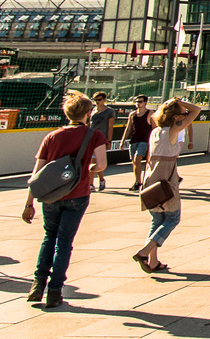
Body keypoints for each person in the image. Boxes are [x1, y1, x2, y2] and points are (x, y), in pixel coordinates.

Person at [23, 92, 108, 307]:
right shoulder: (94, 135)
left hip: (51, 195)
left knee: (48, 237)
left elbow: (37, 173)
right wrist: (89, 168)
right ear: (88, 113)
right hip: (77, 194)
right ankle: (55, 290)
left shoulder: (52, 136)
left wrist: (28, 203)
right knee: (64, 242)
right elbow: (102, 165)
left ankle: (38, 284)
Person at [133, 97, 201, 273]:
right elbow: (196, 110)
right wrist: (180, 102)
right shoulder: (173, 131)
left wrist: (170, 106)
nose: (185, 115)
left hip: (151, 178)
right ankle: (144, 251)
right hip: (166, 180)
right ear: (175, 117)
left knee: (157, 220)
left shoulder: (155, 132)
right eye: (182, 114)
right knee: (173, 218)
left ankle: (153, 261)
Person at [122, 95, 153, 192]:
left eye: (140, 101)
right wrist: (123, 140)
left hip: (144, 140)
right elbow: (128, 128)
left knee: (137, 158)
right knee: (134, 162)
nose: (138, 103)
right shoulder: (132, 114)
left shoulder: (150, 114)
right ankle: (137, 181)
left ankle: (141, 181)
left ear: (145, 102)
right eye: (136, 101)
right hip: (134, 139)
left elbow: (154, 128)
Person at [90, 91, 116, 191]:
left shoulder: (109, 111)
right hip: (92, 137)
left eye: (99, 100)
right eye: (95, 100)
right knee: (92, 161)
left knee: (96, 161)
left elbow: (110, 127)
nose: (97, 102)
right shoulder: (93, 110)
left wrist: (109, 140)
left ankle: (100, 180)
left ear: (104, 99)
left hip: (102, 138)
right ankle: (92, 183)